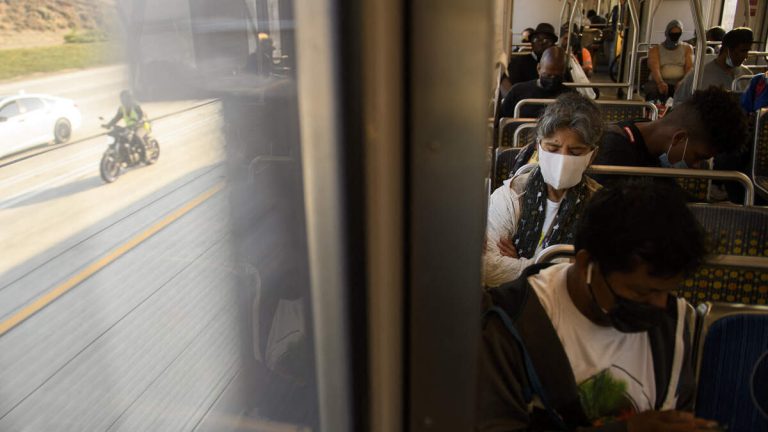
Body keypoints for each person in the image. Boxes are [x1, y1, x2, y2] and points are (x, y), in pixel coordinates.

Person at [477, 180, 716, 431]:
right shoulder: (511, 323)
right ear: (586, 265)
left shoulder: (670, 326)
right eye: (641, 291)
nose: (659, 305)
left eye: (667, 291)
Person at [484, 93, 602, 287]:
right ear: (538, 148)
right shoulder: (511, 195)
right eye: (553, 148)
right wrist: (561, 268)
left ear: (592, 155)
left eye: (575, 152)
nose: (562, 159)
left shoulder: (600, 206)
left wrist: (521, 262)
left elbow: (596, 277)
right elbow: (488, 268)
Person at [593, 86, 748, 172]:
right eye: (698, 157)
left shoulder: (647, 142)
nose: (695, 166)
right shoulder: (613, 156)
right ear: (679, 138)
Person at [674, 27, 754, 105]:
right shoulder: (699, 76)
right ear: (727, 50)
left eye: (748, 51)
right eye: (743, 51)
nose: (746, 56)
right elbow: (679, 103)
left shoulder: (746, 76)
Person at [498, 46, 575, 121]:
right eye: (548, 75)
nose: (552, 79)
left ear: (564, 73)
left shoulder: (572, 96)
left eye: (557, 76)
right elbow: (503, 122)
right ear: (538, 68)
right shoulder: (518, 91)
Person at [645, 20, 693, 102]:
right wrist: (660, 83)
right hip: (659, 81)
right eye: (672, 33)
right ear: (667, 33)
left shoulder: (687, 48)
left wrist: (683, 82)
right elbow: (655, 68)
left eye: (678, 34)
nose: (675, 36)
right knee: (652, 90)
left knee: (689, 91)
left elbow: (689, 67)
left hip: (679, 82)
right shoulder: (655, 49)